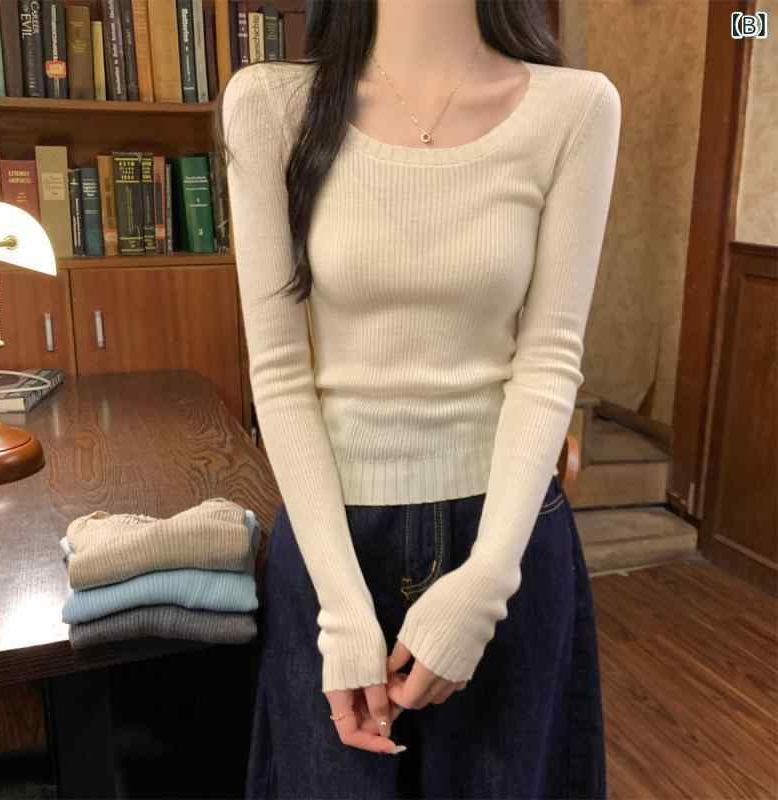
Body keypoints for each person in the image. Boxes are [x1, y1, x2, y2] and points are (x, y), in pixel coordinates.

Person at [219, 0, 621, 796]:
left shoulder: (576, 109)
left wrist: (485, 586)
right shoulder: (269, 105)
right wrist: (340, 608)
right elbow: (280, 371)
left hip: (504, 538)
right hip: (333, 544)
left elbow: (548, 361)